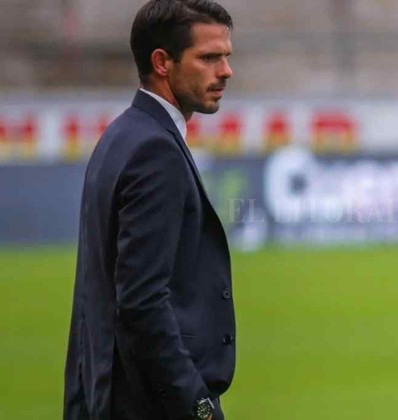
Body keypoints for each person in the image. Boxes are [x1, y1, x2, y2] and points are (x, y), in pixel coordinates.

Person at [63, 1, 235, 419]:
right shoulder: (154, 150)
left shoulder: (121, 135)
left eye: (226, 56)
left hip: (106, 394)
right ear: (162, 62)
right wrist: (197, 405)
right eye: (209, 58)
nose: (226, 71)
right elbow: (141, 303)